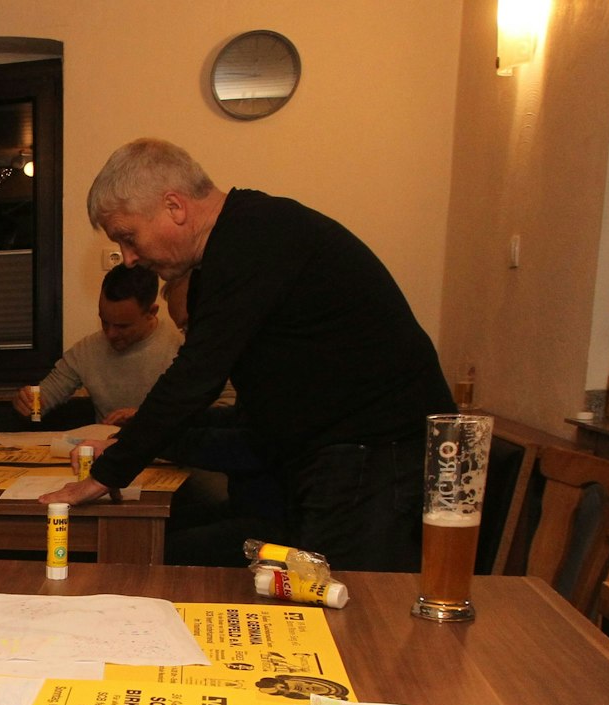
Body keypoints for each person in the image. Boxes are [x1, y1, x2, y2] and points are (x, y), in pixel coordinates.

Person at [41, 138, 454, 572]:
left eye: (128, 237)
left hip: (376, 451)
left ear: (174, 207)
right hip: (340, 452)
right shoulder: (233, 245)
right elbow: (250, 406)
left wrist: (106, 475)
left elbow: (195, 377)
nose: (128, 258)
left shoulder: (253, 237)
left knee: (355, 611)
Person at [7, 263, 208, 427]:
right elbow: (44, 397)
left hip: (171, 464)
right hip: (108, 460)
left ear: (151, 312)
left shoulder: (182, 345)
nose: (110, 334)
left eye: (122, 326)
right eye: (104, 321)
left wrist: (148, 417)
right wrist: (25, 402)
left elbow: (221, 408)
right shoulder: (86, 351)